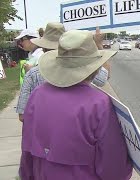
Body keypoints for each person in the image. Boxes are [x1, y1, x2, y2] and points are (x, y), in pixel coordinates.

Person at [19, 30, 133, 180]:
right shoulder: (99, 104)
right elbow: (112, 166)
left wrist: (26, 175)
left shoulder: (37, 94)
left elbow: (27, 148)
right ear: (95, 67)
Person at [16, 22, 110, 122]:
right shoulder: (83, 67)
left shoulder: (32, 74)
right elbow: (103, 79)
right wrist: (99, 45)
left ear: (43, 47)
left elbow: (23, 115)